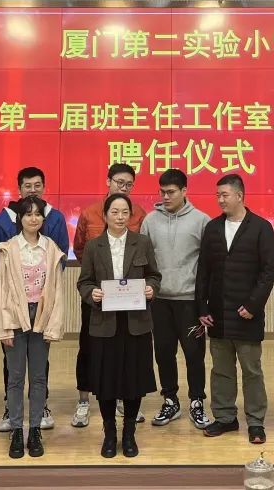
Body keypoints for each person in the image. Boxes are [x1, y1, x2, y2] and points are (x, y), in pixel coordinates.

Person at [77, 194, 161, 458]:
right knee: (106, 382)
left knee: (133, 381)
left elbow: (154, 275)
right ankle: (110, 433)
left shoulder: (142, 242)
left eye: (125, 212)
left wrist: (151, 289)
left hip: (136, 323)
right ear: (105, 215)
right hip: (105, 323)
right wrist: (92, 294)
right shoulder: (94, 246)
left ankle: (129, 433)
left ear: (130, 215)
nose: (120, 217)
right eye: (114, 212)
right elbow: (84, 282)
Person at [196, 174, 274, 445]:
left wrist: (253, 305)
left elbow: (268, 272)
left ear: (240, 195)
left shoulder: (261, 227)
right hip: (218, 313)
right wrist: (201, 306)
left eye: (225, 195)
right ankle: (225, 417)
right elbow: (203, 271)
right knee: (221, 370)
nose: (220, 200)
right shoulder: (213, 228)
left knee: (251, 370)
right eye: (218, 195)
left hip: (247, 315)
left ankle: (255, 421)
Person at [0, 167, 69, 433]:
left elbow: (60, 258)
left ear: (44, 187)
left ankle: (39, 411)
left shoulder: (55, 218)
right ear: (19, 188)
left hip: (42, 304)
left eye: (37, 185)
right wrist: (11, 289)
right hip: (13, 305)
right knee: (13, 367)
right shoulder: (4, 221)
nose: (32, 189)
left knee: (38, 367)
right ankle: (11, 411)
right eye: (27, 185)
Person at [71, 164, 148, 428]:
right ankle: (83, 400)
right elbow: (80, 249)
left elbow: (144, 253)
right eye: (119, 182)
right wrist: (97, 281)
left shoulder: (139, 214)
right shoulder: (90, 213)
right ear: (108, 181)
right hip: (99, 298)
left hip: (130, 301)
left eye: (129, 184)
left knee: (126, 351)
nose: (123, 188)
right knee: (89, 348)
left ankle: (124, 399)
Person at [140, 168, 212, 429]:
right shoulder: (150, 221)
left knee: (194, 354)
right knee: (163, 353)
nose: (166, 197)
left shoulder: (201, 221)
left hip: (190, 302)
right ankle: (170, 400)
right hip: (159, 301)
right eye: (162, 192)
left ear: (184, 191)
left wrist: (206, 301)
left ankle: (197, 401)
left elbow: (209, 264)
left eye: (171, 192)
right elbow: (143, 260)